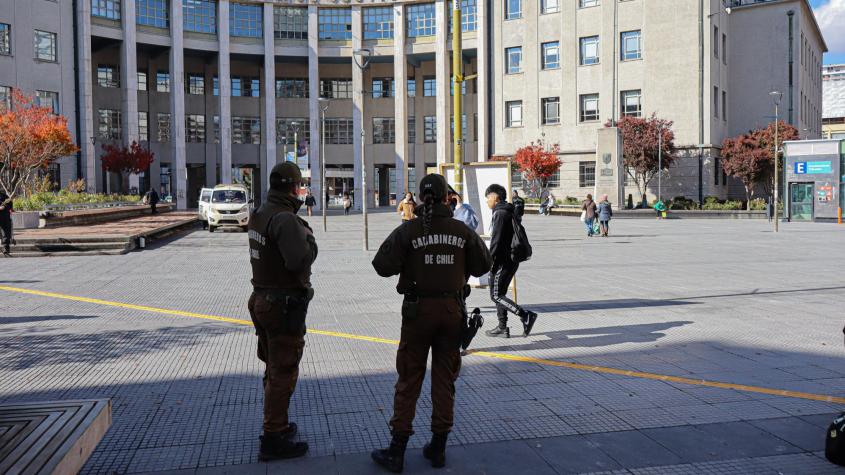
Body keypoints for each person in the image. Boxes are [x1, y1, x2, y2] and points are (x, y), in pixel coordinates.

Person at [371, 174, 492, 472]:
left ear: (423, 198)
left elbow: (381, 265)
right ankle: (438, 448)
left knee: (409, 378)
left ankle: (397, 450)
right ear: (446, 196)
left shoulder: (409, 230)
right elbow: (484, 265)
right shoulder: (461, 231)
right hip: (452, 312)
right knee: (444, 379)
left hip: (417, 313)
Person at [247, 162, 318, 461]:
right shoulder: (286, 219)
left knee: (273, 367)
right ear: (293, 187)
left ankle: (277, 425)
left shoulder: (260, 214)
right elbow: (299, 261)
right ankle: (273, 436)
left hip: (262, 297)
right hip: (282, 304)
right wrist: (310, 239)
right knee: (283, 369)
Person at [484, 184, 538, 339]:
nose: (487, 201)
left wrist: (488, 260)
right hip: (509, 259)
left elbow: (496, 242)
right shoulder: (506, 210)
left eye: (488, 198)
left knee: (496, 295)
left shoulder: (501, 213)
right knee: (498, 293)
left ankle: (525, 315)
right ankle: (502, 327)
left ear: (495, 197)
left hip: (503, 260)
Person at [0, 191, 13, 256]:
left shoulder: (4, 196)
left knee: (5, 232)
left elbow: (10, 203)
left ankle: (6, 248)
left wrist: (4, 206)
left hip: (4, 217)